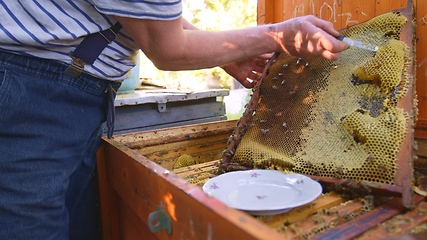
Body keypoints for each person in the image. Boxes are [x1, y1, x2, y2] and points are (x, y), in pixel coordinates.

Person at [0, 1, 348, 239]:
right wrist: (278, 35)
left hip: (56, 93)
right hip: (32, 95)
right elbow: (166, 47)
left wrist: (229, 58)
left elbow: (140, 14)